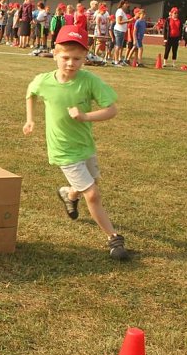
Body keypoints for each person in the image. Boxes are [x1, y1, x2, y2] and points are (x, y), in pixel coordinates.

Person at [22, 24, 127, 260]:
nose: (71, 63)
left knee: (90, 182)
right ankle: (113, 239)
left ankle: (68, 194)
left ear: (86, 59)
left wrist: (85, 117)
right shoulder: (43, 80)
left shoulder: (90, 81)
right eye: (66, 57)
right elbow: (31, 93)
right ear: (55, 55)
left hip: (85, 145)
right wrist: (30, 120)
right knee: (92, 194)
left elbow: (111, 110)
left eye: (77, 59)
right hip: (62, 148)